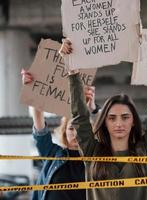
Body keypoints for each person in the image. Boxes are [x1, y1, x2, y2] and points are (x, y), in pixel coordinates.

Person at [60, 33, 147, 200]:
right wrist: (72, 68)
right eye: (112, 118)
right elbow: (79, 114)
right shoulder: (92, 151)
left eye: (125, 117)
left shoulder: (145, 149)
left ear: (133, 122)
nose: (119, 123)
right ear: (105, 122)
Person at [21, 69, 99, 200]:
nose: (76, 134)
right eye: (71, 129)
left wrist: (93, 109)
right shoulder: (52, 153)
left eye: (81, 130)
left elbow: (108, 129)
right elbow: (40, 128)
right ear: (64, 131)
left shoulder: (97, 159)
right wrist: (32, 90)